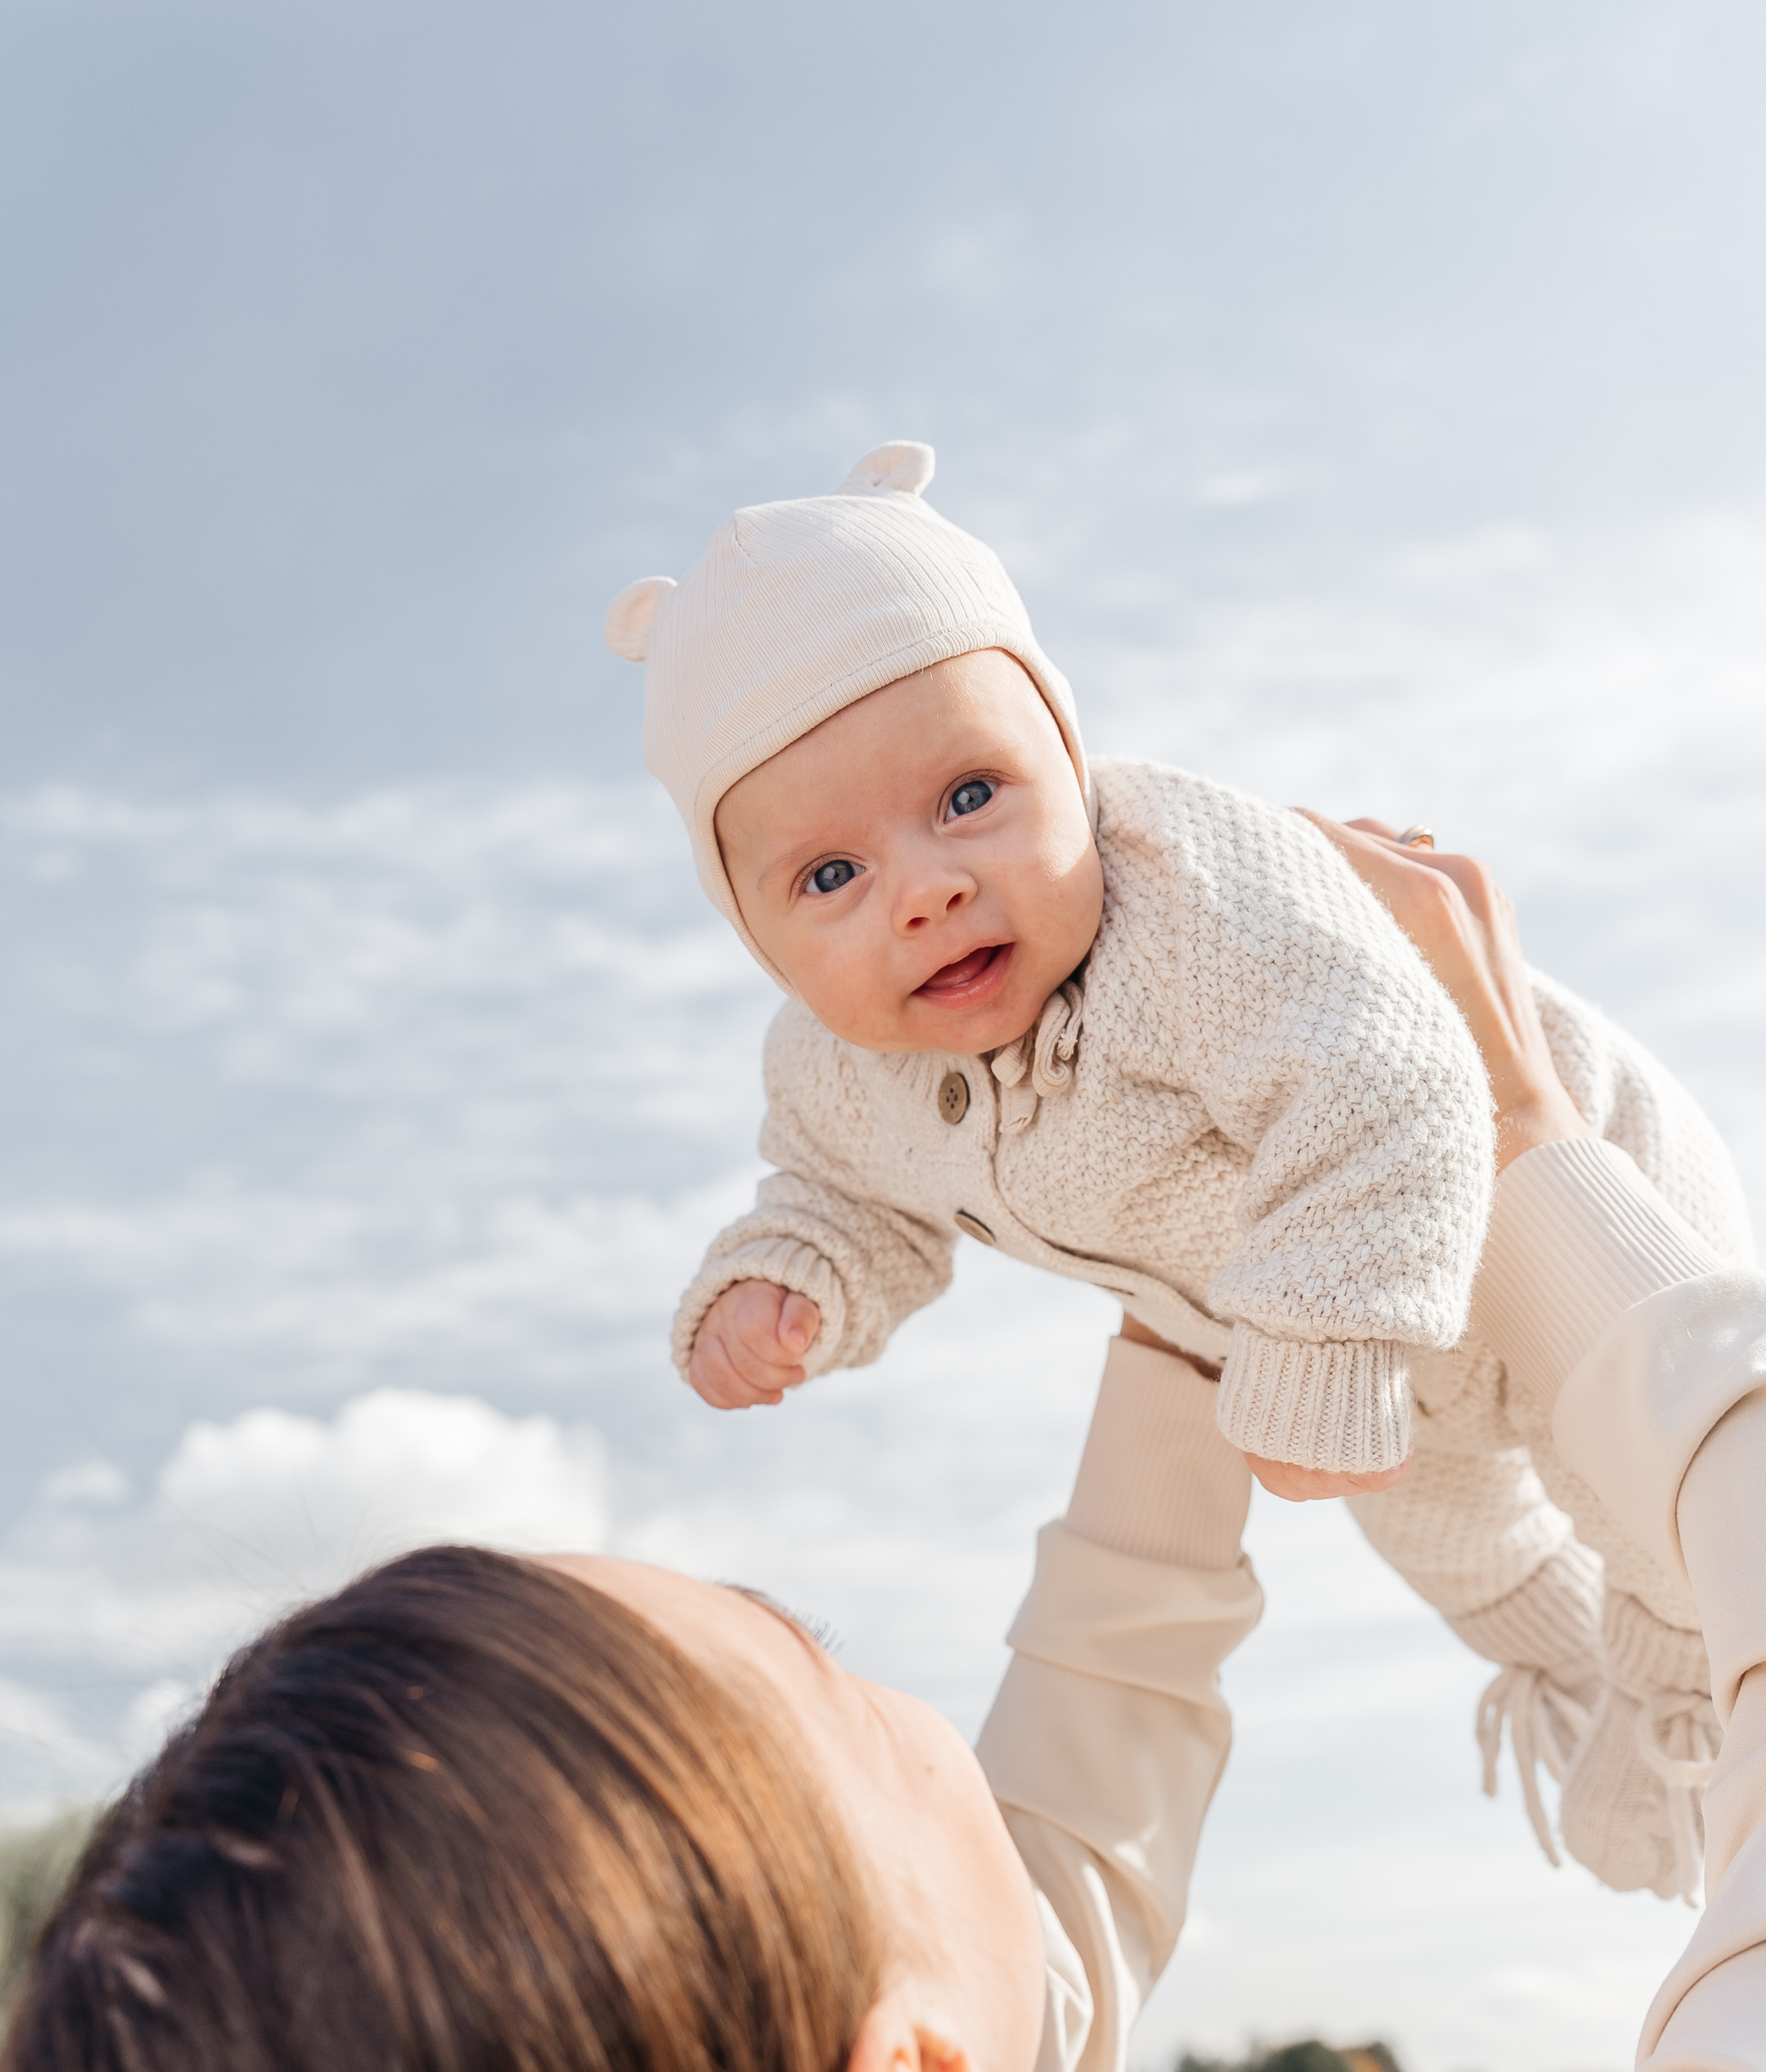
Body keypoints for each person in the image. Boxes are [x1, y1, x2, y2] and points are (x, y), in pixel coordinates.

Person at [3, 823, 1765, 2072]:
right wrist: (1535, 1153)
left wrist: (1184, 1313)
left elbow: (1021, 1930)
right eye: (821, 1662)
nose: (923, 1718)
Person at [606, 443, 1752, 1899]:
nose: (926, 886)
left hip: (1552, 1214)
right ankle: (1569, 1679)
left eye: (969, 794)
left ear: (1071, 768)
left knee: (1648, 1516)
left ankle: (1671, 1714)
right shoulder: (832, 1074)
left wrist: (1322, 1335)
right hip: (1348, 1348)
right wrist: (788, 1280)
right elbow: (844, 1198)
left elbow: (1380, 1070)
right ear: (757, 942)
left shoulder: (1189, 890)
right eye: (828, 879)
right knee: (1452, 1544)